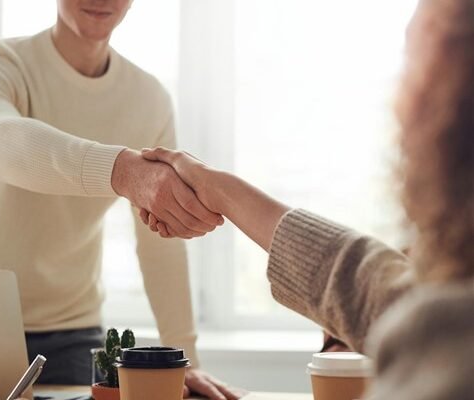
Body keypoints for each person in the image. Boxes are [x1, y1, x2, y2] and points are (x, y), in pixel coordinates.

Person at [139, 0, 474, 398]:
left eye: (415, 70)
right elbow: (372, 286)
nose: (399, 105)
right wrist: (222, 190)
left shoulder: (449, 347)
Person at [0, 1, 241, 398]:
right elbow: (3, 145)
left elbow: (159, 242)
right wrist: (123, 171)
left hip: (72, 334)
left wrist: (185, 360)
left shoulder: (147, 98)